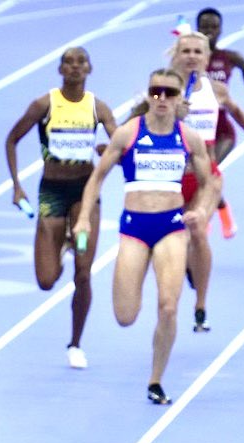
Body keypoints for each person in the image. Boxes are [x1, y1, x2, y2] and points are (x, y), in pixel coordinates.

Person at [73, 68, 213, 405]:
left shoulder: (189, 137)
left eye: (169, 92)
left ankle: (155, 380)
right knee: (125, 316)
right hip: (134, 228)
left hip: (172, 227)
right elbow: (97, 178)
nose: (162, 98)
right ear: (148, 95)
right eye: (156, 91)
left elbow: (208, 184)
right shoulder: (127, 133)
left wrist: (203, 211)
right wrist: (82, 219)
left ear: (180, 98)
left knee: (168, 307)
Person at [4, 46, 117, 369]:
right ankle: (62, 239)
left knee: (83, 273)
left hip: (85, 193)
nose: (76, 66)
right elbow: (11, 139)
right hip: (52, 192)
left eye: (81, 61)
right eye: (69, 61)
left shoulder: (98, 107)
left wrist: (108, 147)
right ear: (61, 69)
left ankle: (75, 343)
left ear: (89, 68)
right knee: (46, 279)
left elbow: (120, 142)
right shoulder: (44, 105)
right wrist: (16, 185)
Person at [170, 32, 244, 332]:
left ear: (207, 57)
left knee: (197, 229)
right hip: (172, 176)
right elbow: (139, 118)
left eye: (197, 52)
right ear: (176, 55)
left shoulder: (216, 89)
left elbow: (238, 113)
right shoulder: (165, 88)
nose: (192, 56)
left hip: (207, 176)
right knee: (177, 241)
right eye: (186, 51)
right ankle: (189, 274)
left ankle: (201, 306)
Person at [196, 6, 244, 238]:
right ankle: (219, 208)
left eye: (213, 27)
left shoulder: (229, 58)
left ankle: (216, 214)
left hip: (222, 131)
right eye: (204, 27)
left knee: (206, 171)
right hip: (196, 131)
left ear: (221, 29)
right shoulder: (190, 58)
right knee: (200, 173)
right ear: (197, 28)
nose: (209, 31)